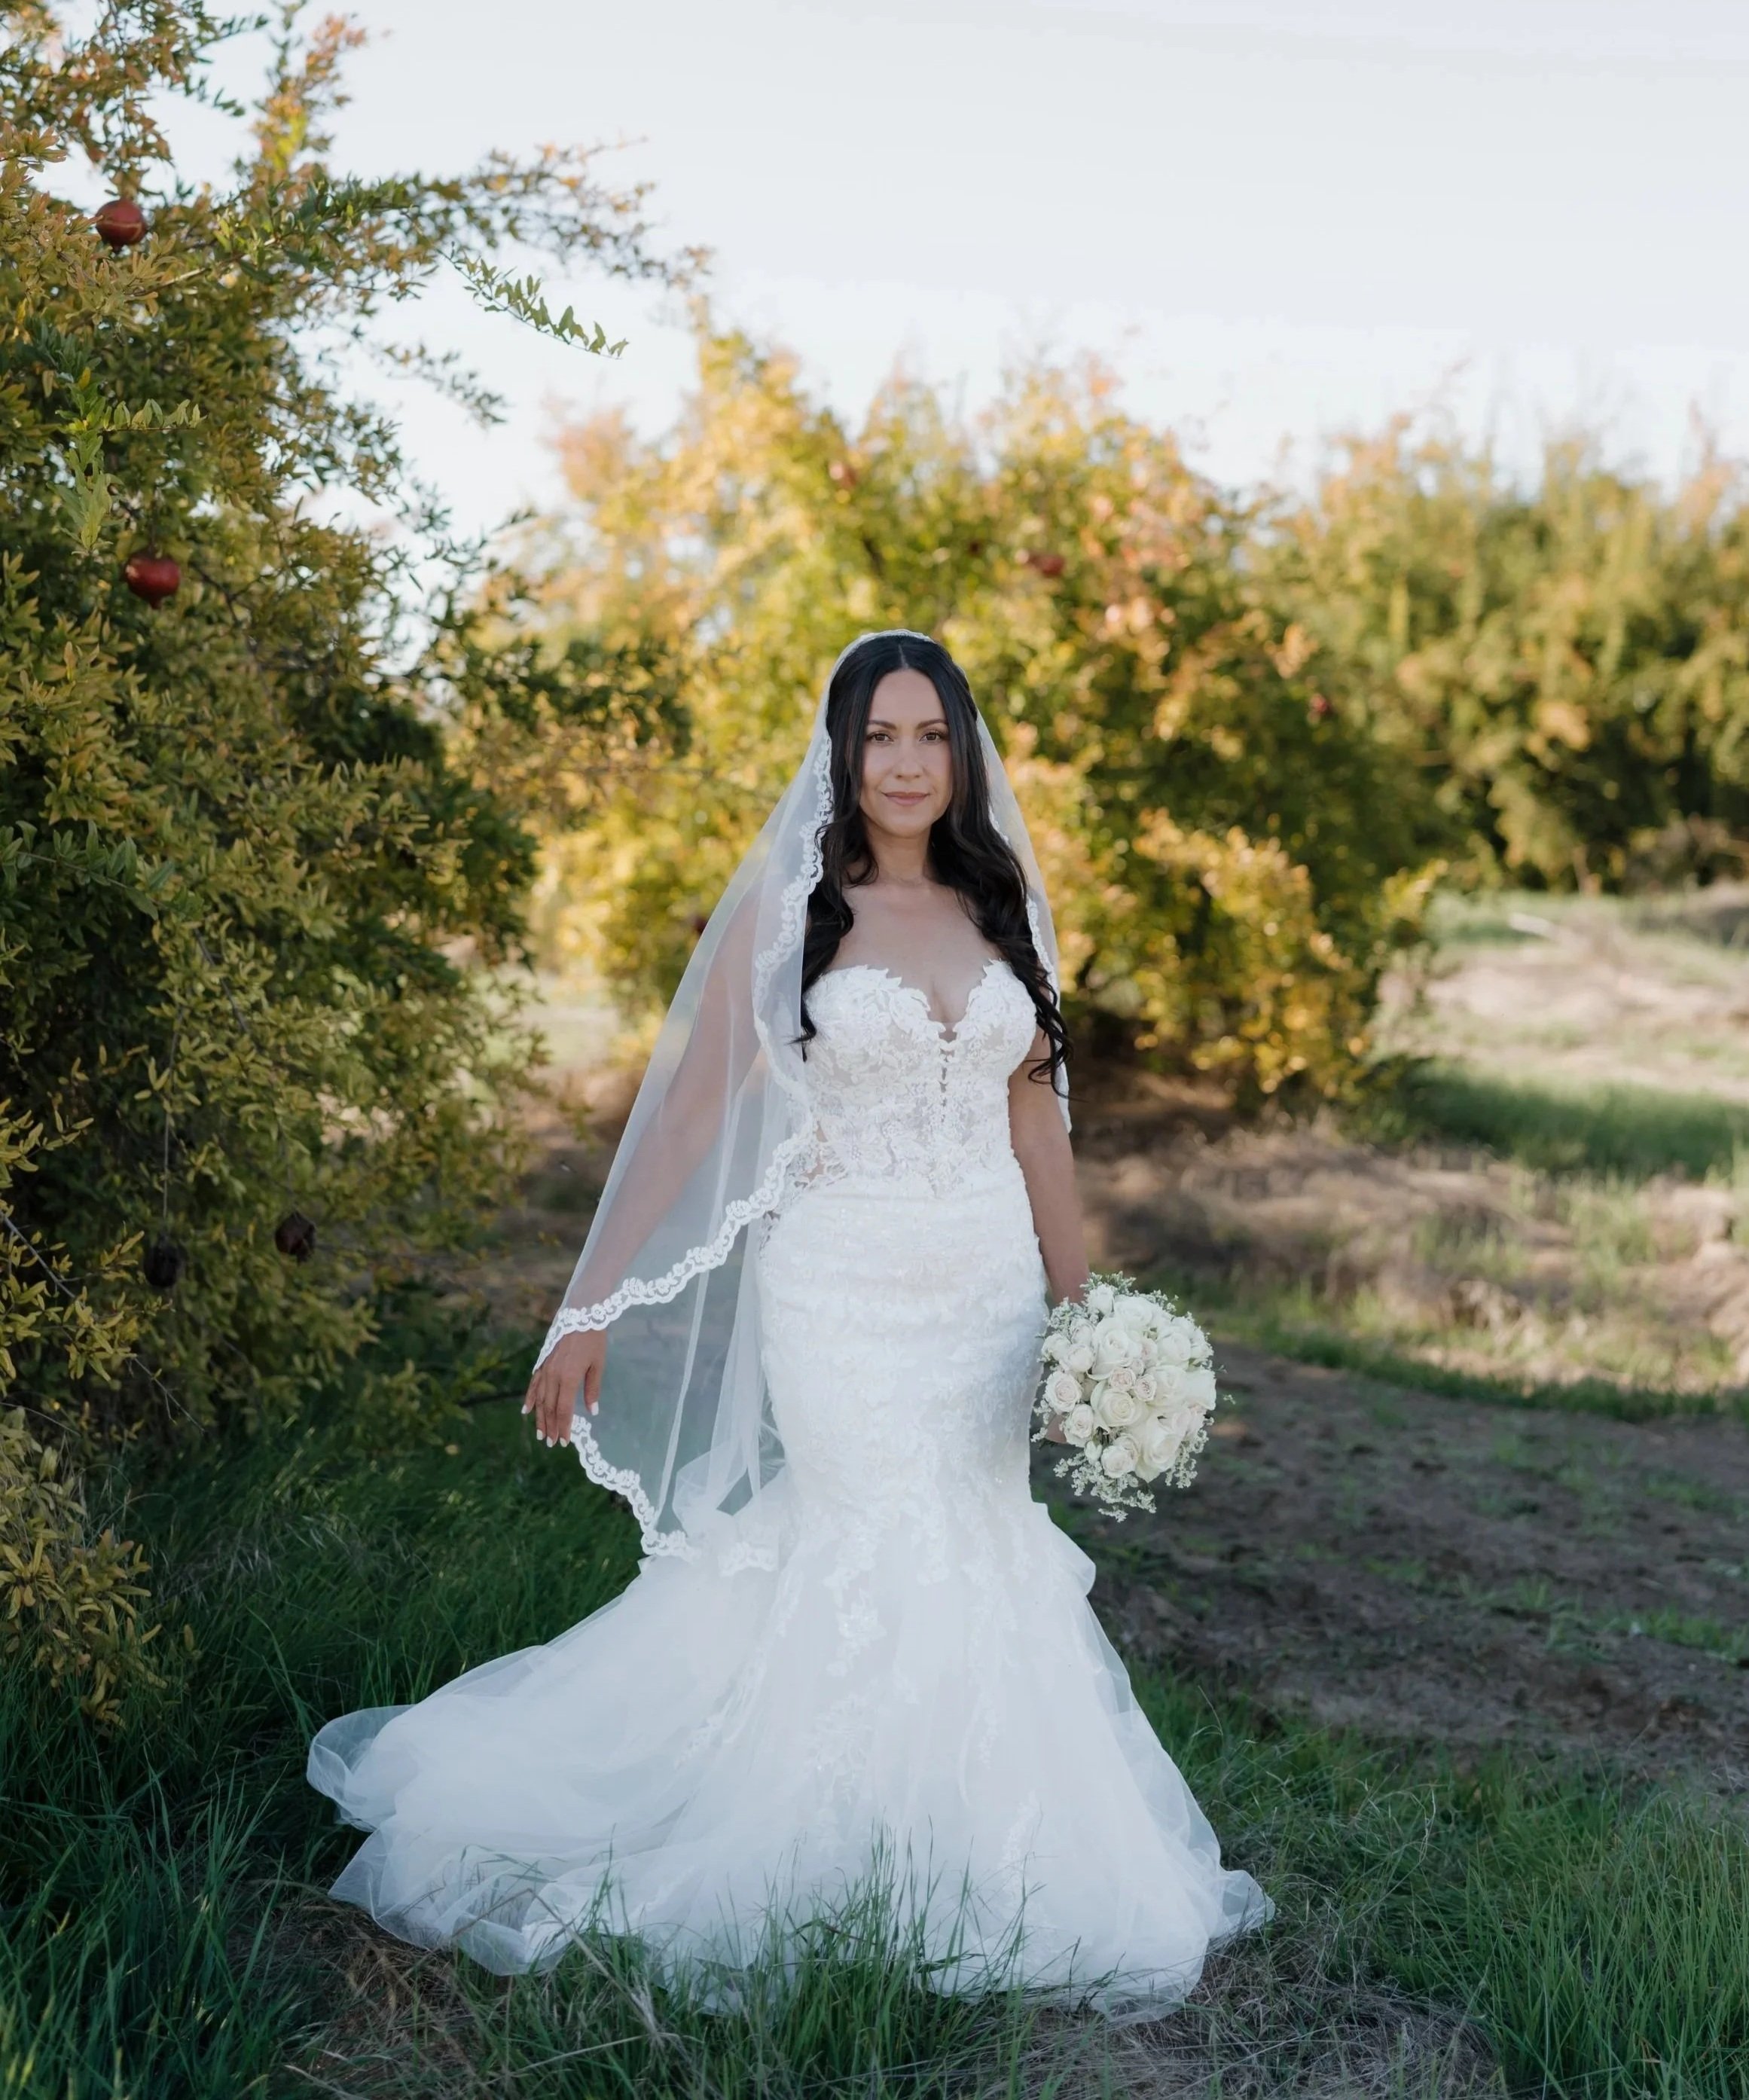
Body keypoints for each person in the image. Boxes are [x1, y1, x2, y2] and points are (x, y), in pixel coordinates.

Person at [306, 629, 1271, 2010]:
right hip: (839, 1286)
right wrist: (585, 1306)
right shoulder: (792, 909)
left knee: (983, 1545)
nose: (905, 763)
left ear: (962, 753)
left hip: (984, 1289)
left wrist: (1082, 1317)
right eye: (879, 736)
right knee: (877, 1541)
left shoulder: (1000, 908)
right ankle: (827, 1856)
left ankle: (984, 1862)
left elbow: (1034, 1123)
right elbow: (688, 1115)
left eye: (930, 735)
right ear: (840, 750)